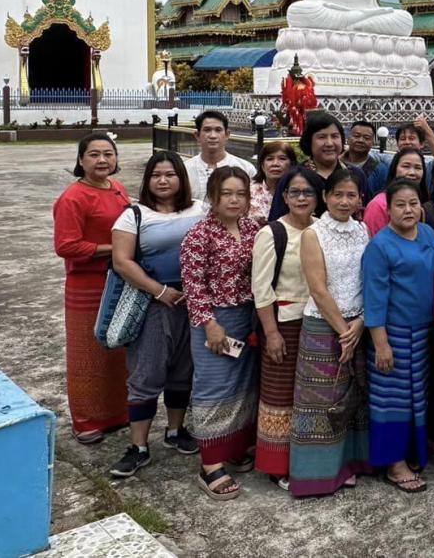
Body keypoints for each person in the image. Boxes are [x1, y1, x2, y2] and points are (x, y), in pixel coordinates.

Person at [108, 151, 205, 477]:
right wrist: (160, 291)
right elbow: (122, 262)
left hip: (192, 302)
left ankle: (175, 431)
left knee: (183, 369)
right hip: (152, 302)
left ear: (182, 178)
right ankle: (139, 446)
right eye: (156, 175)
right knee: (146, 374)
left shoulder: (200, 209)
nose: (163, 181)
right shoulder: (133, 215)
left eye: (170, 174)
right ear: (148, 180)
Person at [289, 168, 372, 497]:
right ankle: (319, 474)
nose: (344, 201)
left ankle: (351, 464)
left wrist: (360, 323)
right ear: (324, 197)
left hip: (357, 323)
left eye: (351, 195)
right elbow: (318, 289)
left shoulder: (362, 229)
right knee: (322, 402)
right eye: (338, 194)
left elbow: (368, 279)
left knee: (353, 399)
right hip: (324, 326)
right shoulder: (314, 233)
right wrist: (343, 332)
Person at [179, 166, 261, 501]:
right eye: (227, 193)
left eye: (240, 193)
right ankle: (210, 463)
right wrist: (210, 325)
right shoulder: (199, 236)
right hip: (214, 322)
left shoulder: (252, 228)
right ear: (213, 196)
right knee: (214, 386)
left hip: (247, 317)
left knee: (243, 386)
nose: (234, 199)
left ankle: (235, 447)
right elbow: (193, 286)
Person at [53, 132, 132, 444]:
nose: (102, 160)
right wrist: (114, 248)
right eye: (94, 154)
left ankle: (116, 413)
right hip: (87, 285)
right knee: (87, 354)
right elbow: (66, 245)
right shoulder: (73, 197)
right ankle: (85, 420)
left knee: (117, 350)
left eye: (108, 154)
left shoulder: (118, 189)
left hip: (121, 279)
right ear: (81, 160)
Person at [364, 178, 434, 493]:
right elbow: (374, 297)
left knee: (417, 397)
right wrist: (381, 344)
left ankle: (414, 452)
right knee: (392, 400)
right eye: (400, 204)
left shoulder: (427, 233)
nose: (408, 210)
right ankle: (394, 463)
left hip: (424, 331)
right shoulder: (380, 246)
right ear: (388, 208)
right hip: (393, 333)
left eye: (413, 203)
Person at [250, 167, 319, 489]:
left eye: (308, 192)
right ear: (284, 197)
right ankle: (278, 464)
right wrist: (272, 333)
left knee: (310, 397)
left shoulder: (322, 229)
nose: (302, 198)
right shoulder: (272, 233)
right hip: (285, 324)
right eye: (295, 192)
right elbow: (261, 289)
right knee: (280, 396)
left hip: (317, 322)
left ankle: (310, 458)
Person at [268, 111, 367, 221]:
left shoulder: (356, 174)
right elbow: (276, 221)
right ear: (309, 141)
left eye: (334, 136)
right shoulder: (294, 177)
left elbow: (366, 215)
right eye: (322, 137)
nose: (329, 143)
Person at [184, 110, 256, 201]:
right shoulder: (185, 170)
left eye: (218, 130)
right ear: (197, 135)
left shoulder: (246, 169)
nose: (213, 136)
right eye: (207, 130)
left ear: (227, 135)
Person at [364, 148, 429, 236]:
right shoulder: (378, 205)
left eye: (418, 167)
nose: (412, 172)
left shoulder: (424, 203)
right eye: (406, 166)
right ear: (394, 169)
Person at [250, 141, 297, 224]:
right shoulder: (248, 191)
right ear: (262, 166)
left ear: (291, 164)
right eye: (270, 159)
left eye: (282, 159)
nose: (275, 164)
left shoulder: (298, 192)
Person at [344, 119, 386, 198]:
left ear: (372, 142)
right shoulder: (337, 164)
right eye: (356, 136)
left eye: (366, 138)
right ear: (348, 139)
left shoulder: (380, 170)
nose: (360, 140)